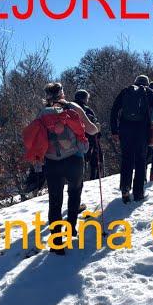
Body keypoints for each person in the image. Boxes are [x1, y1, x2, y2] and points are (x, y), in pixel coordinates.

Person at [35, 83, 99, 255]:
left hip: (51, 162)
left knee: (55, 201)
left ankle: (56, 241)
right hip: (73, 159)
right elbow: (92, 130)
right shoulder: (73, 107)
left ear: (47, 96)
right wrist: (97, 127)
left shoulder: (42, 114)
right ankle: (71, 227)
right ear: (62, 93)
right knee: (75, 192)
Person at [110, 75, 153, 203]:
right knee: (141, 160)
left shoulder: (125, 91)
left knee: (126, 159)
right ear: (146, 84)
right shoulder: (150, 93)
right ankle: (138, 193)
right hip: (142, 131)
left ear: (134, 82)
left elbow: (114, 111)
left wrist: (114, 130)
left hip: (125, 130)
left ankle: (125, 189)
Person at [73, 89, 103, 181]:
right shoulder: (87, 110)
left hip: (72, 140)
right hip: (88, 138)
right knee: (97, 158)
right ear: (85, 99)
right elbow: (94, 125)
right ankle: (94, 179)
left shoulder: (69, 108)